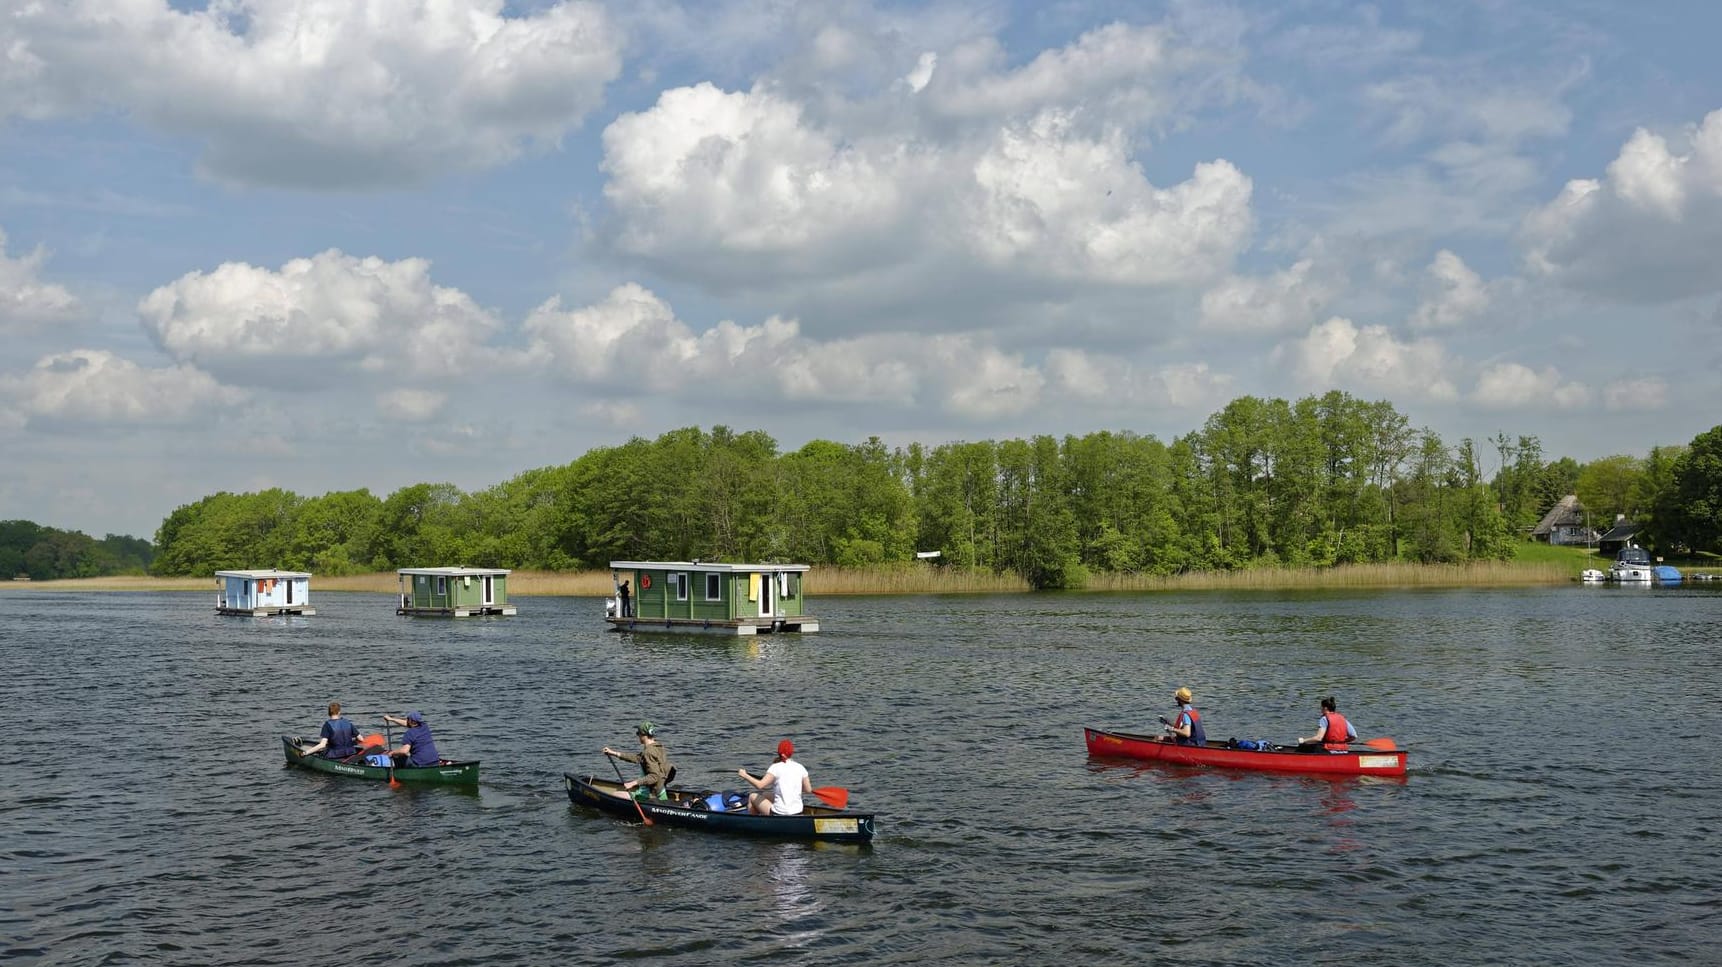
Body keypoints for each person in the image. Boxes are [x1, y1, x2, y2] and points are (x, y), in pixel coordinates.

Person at [738, 739, 812, 816]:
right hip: (798, 812)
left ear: (780, 753)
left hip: (779, 813)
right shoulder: (801, 767)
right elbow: (808, 790)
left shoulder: (775, 767)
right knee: (765, 794)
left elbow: (760, 785)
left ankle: (755, 822)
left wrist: (745, 775)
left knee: (752, 796)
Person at [604, 720, 672, 799]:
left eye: (638, 734)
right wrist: (614, 753)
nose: (638, 736)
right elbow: (637, 758)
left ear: (644, 735)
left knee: (615, 794)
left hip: (650, 795)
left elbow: (654, 776)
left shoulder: (649, 752)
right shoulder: (658, 747)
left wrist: (633, 783)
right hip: (661, 792)